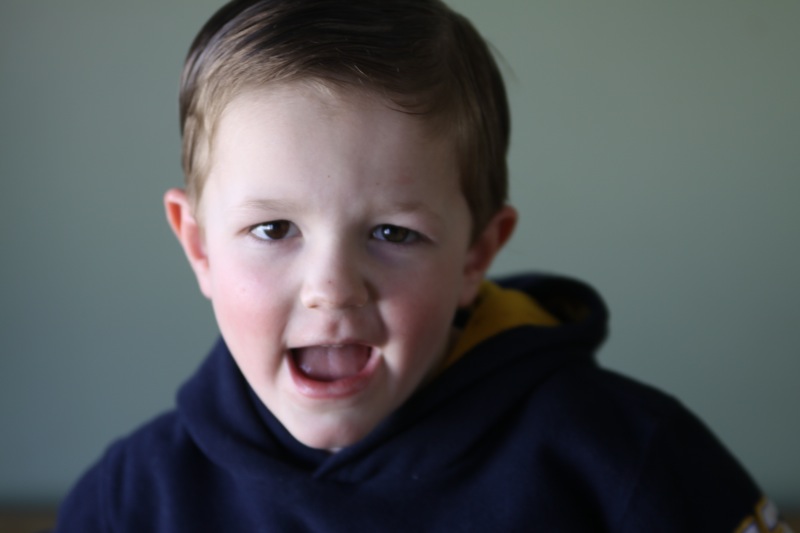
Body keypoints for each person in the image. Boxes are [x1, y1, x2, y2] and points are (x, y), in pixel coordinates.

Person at [54, 1, 788, 531]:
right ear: (200, 245)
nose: (333, 288)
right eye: (274, 228)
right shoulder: (132, 498)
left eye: (392, 233)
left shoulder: (630, 460)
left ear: (477, 253)